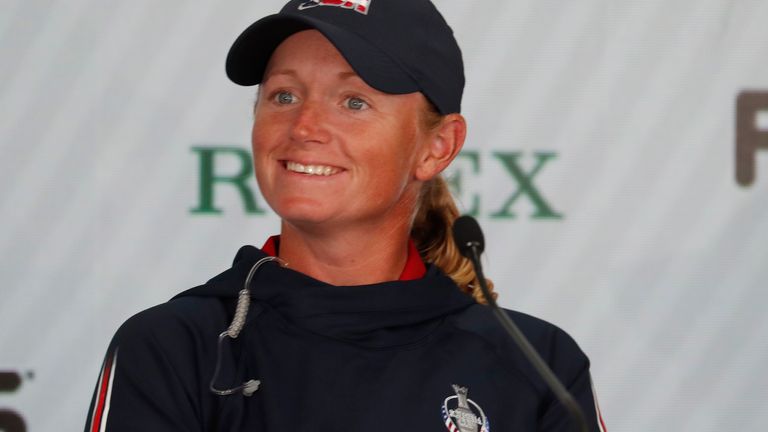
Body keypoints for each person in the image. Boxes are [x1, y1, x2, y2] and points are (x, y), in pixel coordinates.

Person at [85, 0, 607, 430]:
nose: (304, 125)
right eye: (283, 95)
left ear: (437, 147)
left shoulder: (538, 365)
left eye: (354, 102)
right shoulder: (176, 346)